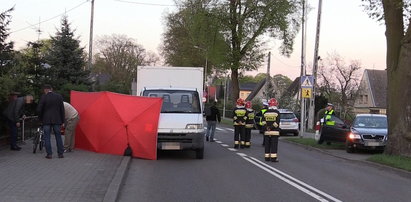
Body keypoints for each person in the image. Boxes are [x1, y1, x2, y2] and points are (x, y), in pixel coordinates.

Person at [37, 85, 65, 159]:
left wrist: (40, 119)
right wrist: (63, 121)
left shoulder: (44, 97)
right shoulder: (59, 96)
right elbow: (62, 109)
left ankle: (49, 154)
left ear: (45, 90)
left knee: (47, 137)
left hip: (46, 120)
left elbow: (39, 109)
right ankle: (60, 154)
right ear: (51, 89)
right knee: (58, 136)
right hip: (57, 120)